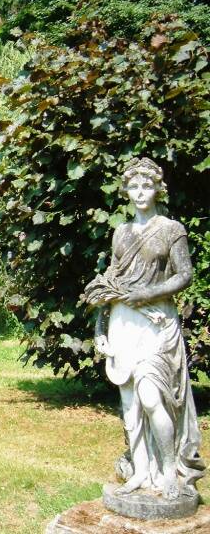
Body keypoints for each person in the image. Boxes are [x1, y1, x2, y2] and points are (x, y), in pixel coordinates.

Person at [83, 157, 205, 499]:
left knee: (153, 399)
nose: (140, 192)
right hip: (123, 322)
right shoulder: (121, 232)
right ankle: (140, 471)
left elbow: (184, 275)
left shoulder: (170, 229)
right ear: (126, 191)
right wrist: (100, 329)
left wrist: (147, 293)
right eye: (134, 186)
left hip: (156, 322)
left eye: (146, 185)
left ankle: (169, 472)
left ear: (157, 189)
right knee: (131, 407)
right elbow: (110, 283)